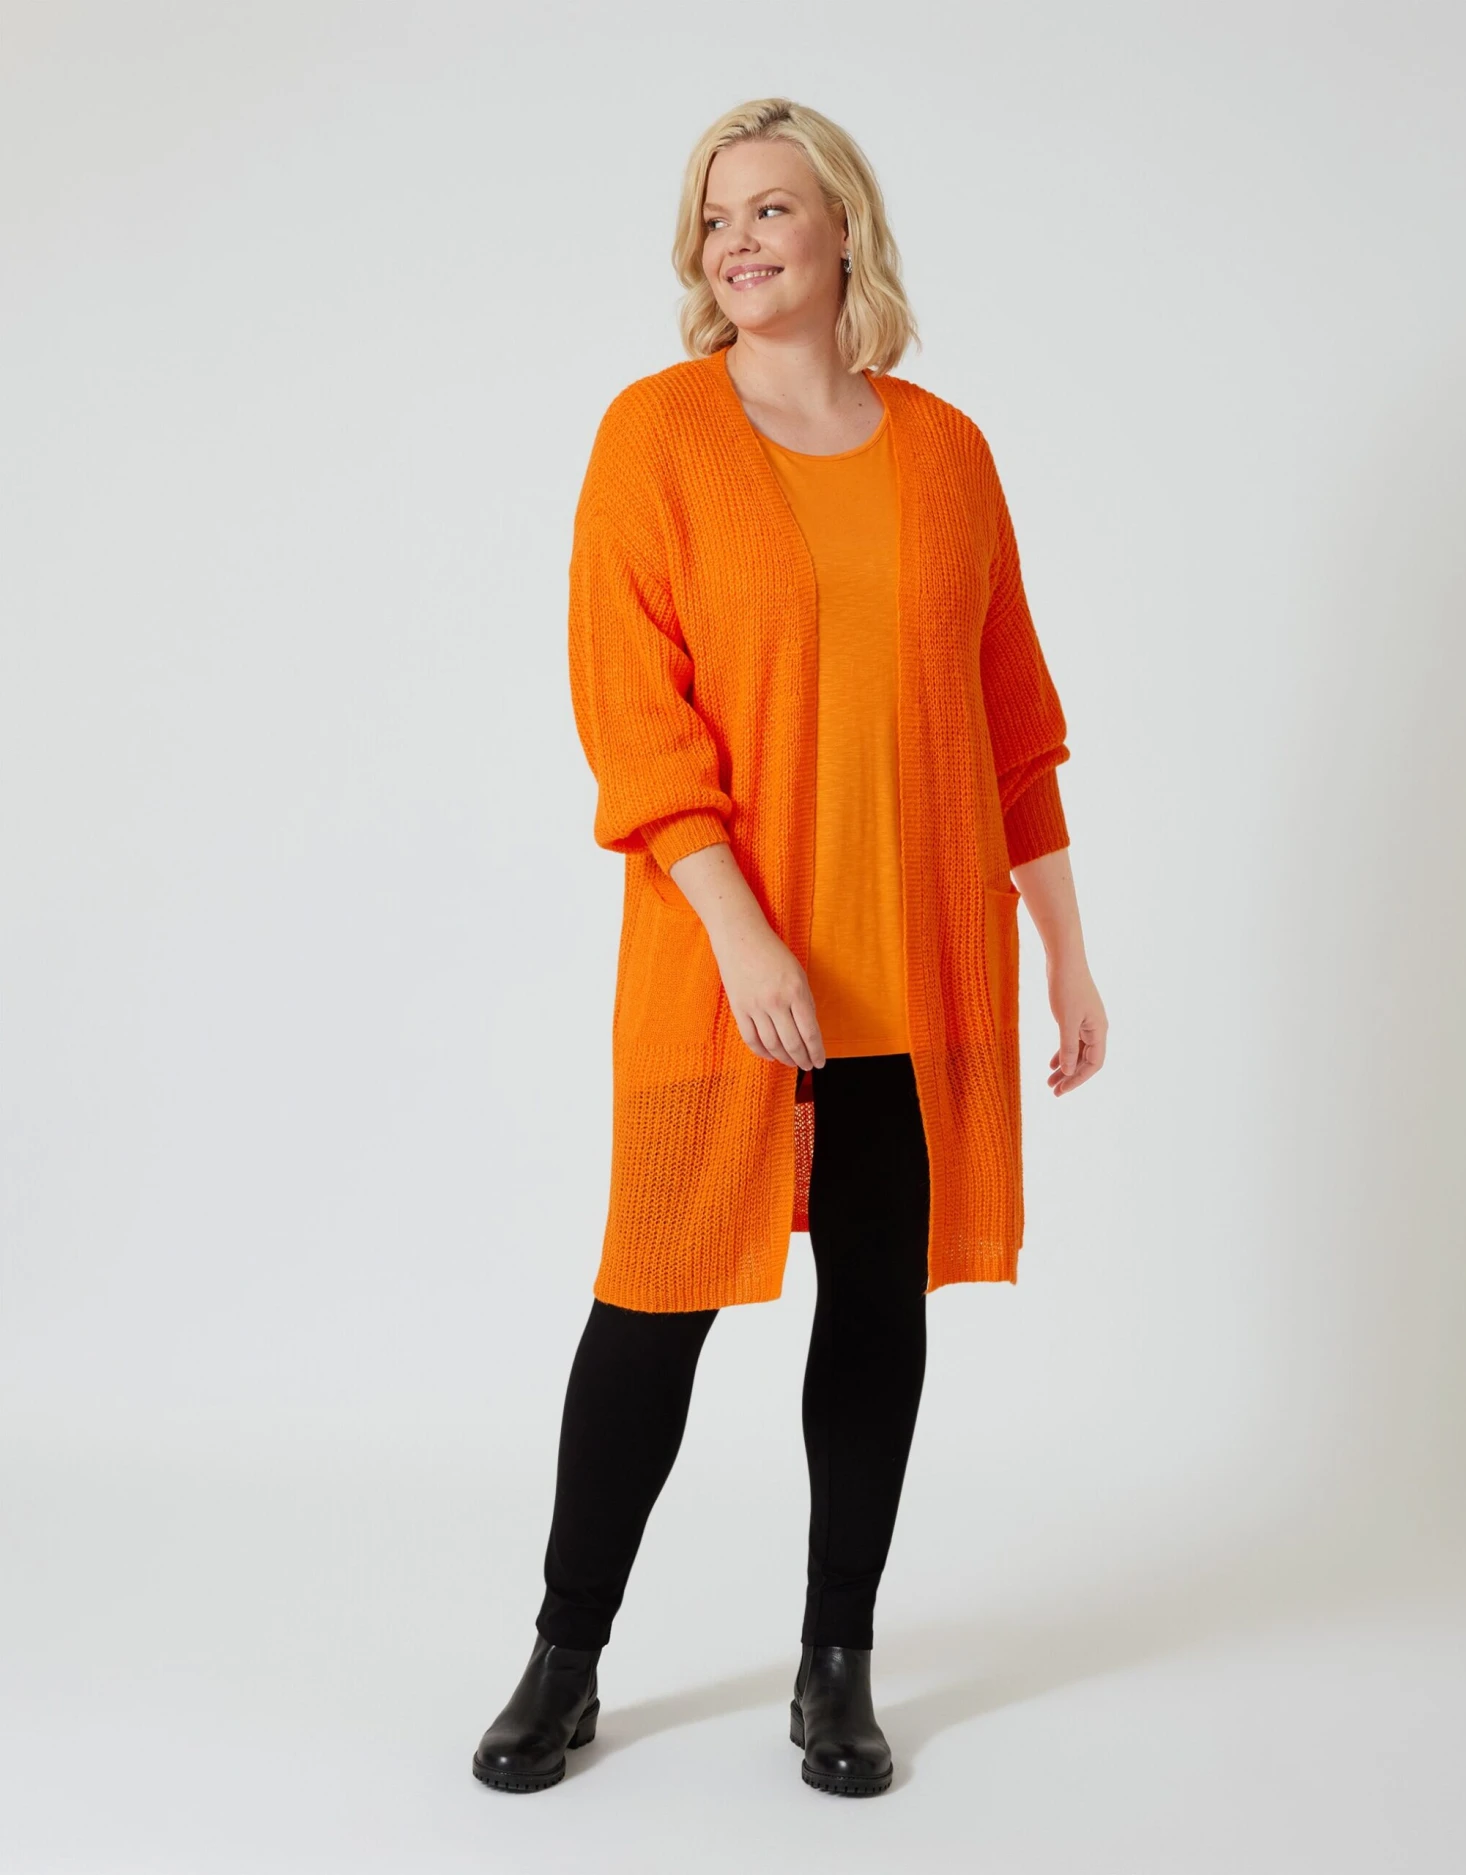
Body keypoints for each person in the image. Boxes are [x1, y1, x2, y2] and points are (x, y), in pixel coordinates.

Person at [472, 96, 1108, 1799]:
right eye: (714, 218)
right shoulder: (659, 434)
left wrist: (1065, 949)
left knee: (876, 1313)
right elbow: (633, 714)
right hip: (729, 967)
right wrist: (742, 932)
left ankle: (839, 1662)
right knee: (652, 1304)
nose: (737, 242)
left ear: (843, 229)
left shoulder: (949, 453)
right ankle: (565, 1654)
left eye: (768, 208)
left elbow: (1014, 726)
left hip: (915, 966)